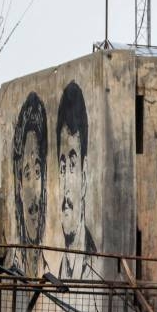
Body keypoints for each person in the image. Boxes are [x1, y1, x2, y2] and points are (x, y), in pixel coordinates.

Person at [55, 81, 99, 281]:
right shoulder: (58, 271)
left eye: (72, 164)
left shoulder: (96, 270)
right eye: (62, 167)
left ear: (84, 175)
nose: (66, 186)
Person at [11, 92, 47, 278]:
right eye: (27, 174)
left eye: (38, 172)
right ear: (18, 186)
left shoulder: (49, 268)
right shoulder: (13, 267)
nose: (33, 194)